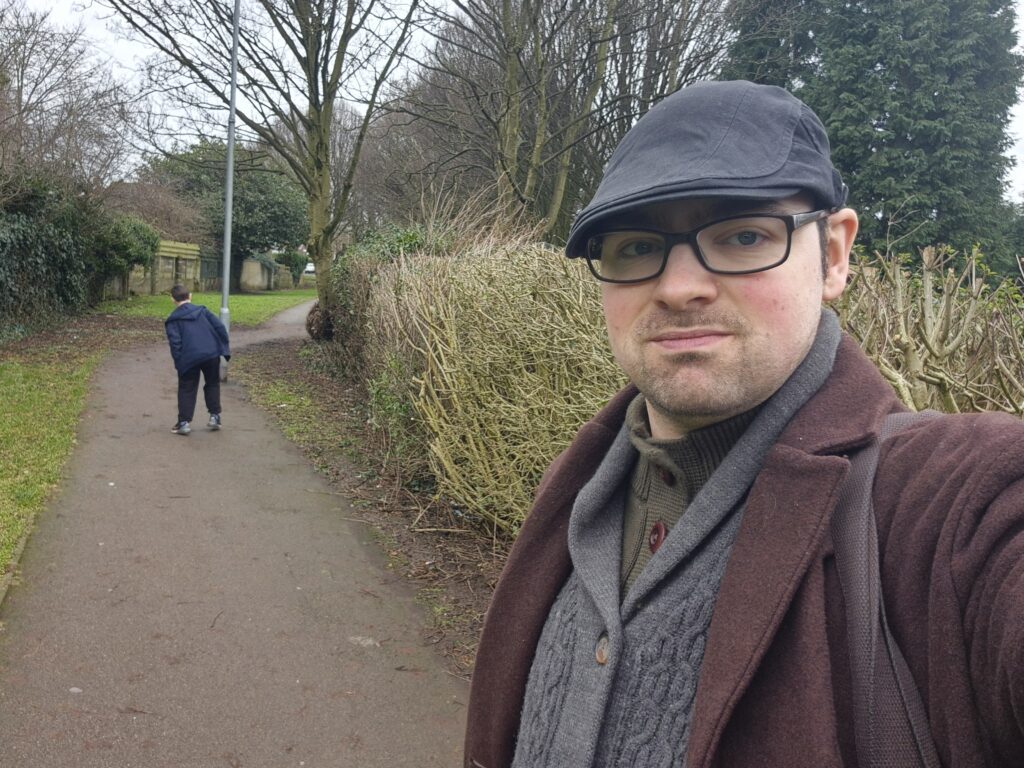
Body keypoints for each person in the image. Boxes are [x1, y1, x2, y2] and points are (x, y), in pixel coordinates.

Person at [463, 80, 1024, 767]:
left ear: (834, 255)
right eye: (635, 247)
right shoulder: (579, 490)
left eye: (744, 235)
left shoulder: (947, 507)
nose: (678, 287)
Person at [165, 284, 230, 435]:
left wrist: (179, 362)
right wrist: (222, 347)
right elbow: (220, 328)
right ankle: (215, 416)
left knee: (187, 387)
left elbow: (175, 343)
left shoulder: (173, 320)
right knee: (212, 383)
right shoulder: (203, 311)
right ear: (190, 296)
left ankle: (184, 423)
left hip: (189, 357)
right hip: (211, 353)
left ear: (172, 299)